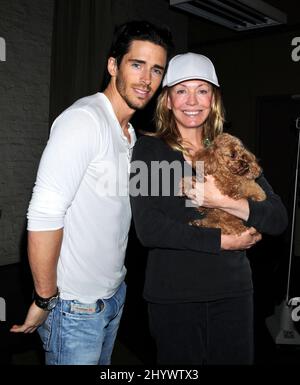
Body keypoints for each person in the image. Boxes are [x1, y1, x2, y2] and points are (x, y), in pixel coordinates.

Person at [10, 20, 173, 365]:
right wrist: (44, 299)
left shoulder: (130, 135)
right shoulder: (83, 121)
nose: (147, 80)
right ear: (113, 65)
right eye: (137, 64)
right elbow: (43, 216)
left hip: (113, 295)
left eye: (156, 70)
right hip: (73, 308)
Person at [130, 52, 288, 365]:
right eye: (181, 90)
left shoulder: (230, 148)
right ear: (168, 100)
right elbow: (148, 229)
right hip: (174, 296)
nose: (192, 101)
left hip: (233, 292)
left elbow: (278, 217)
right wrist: (223, 241)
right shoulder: (148, 150)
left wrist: (224, 201)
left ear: (213, 99)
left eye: (202, 90)